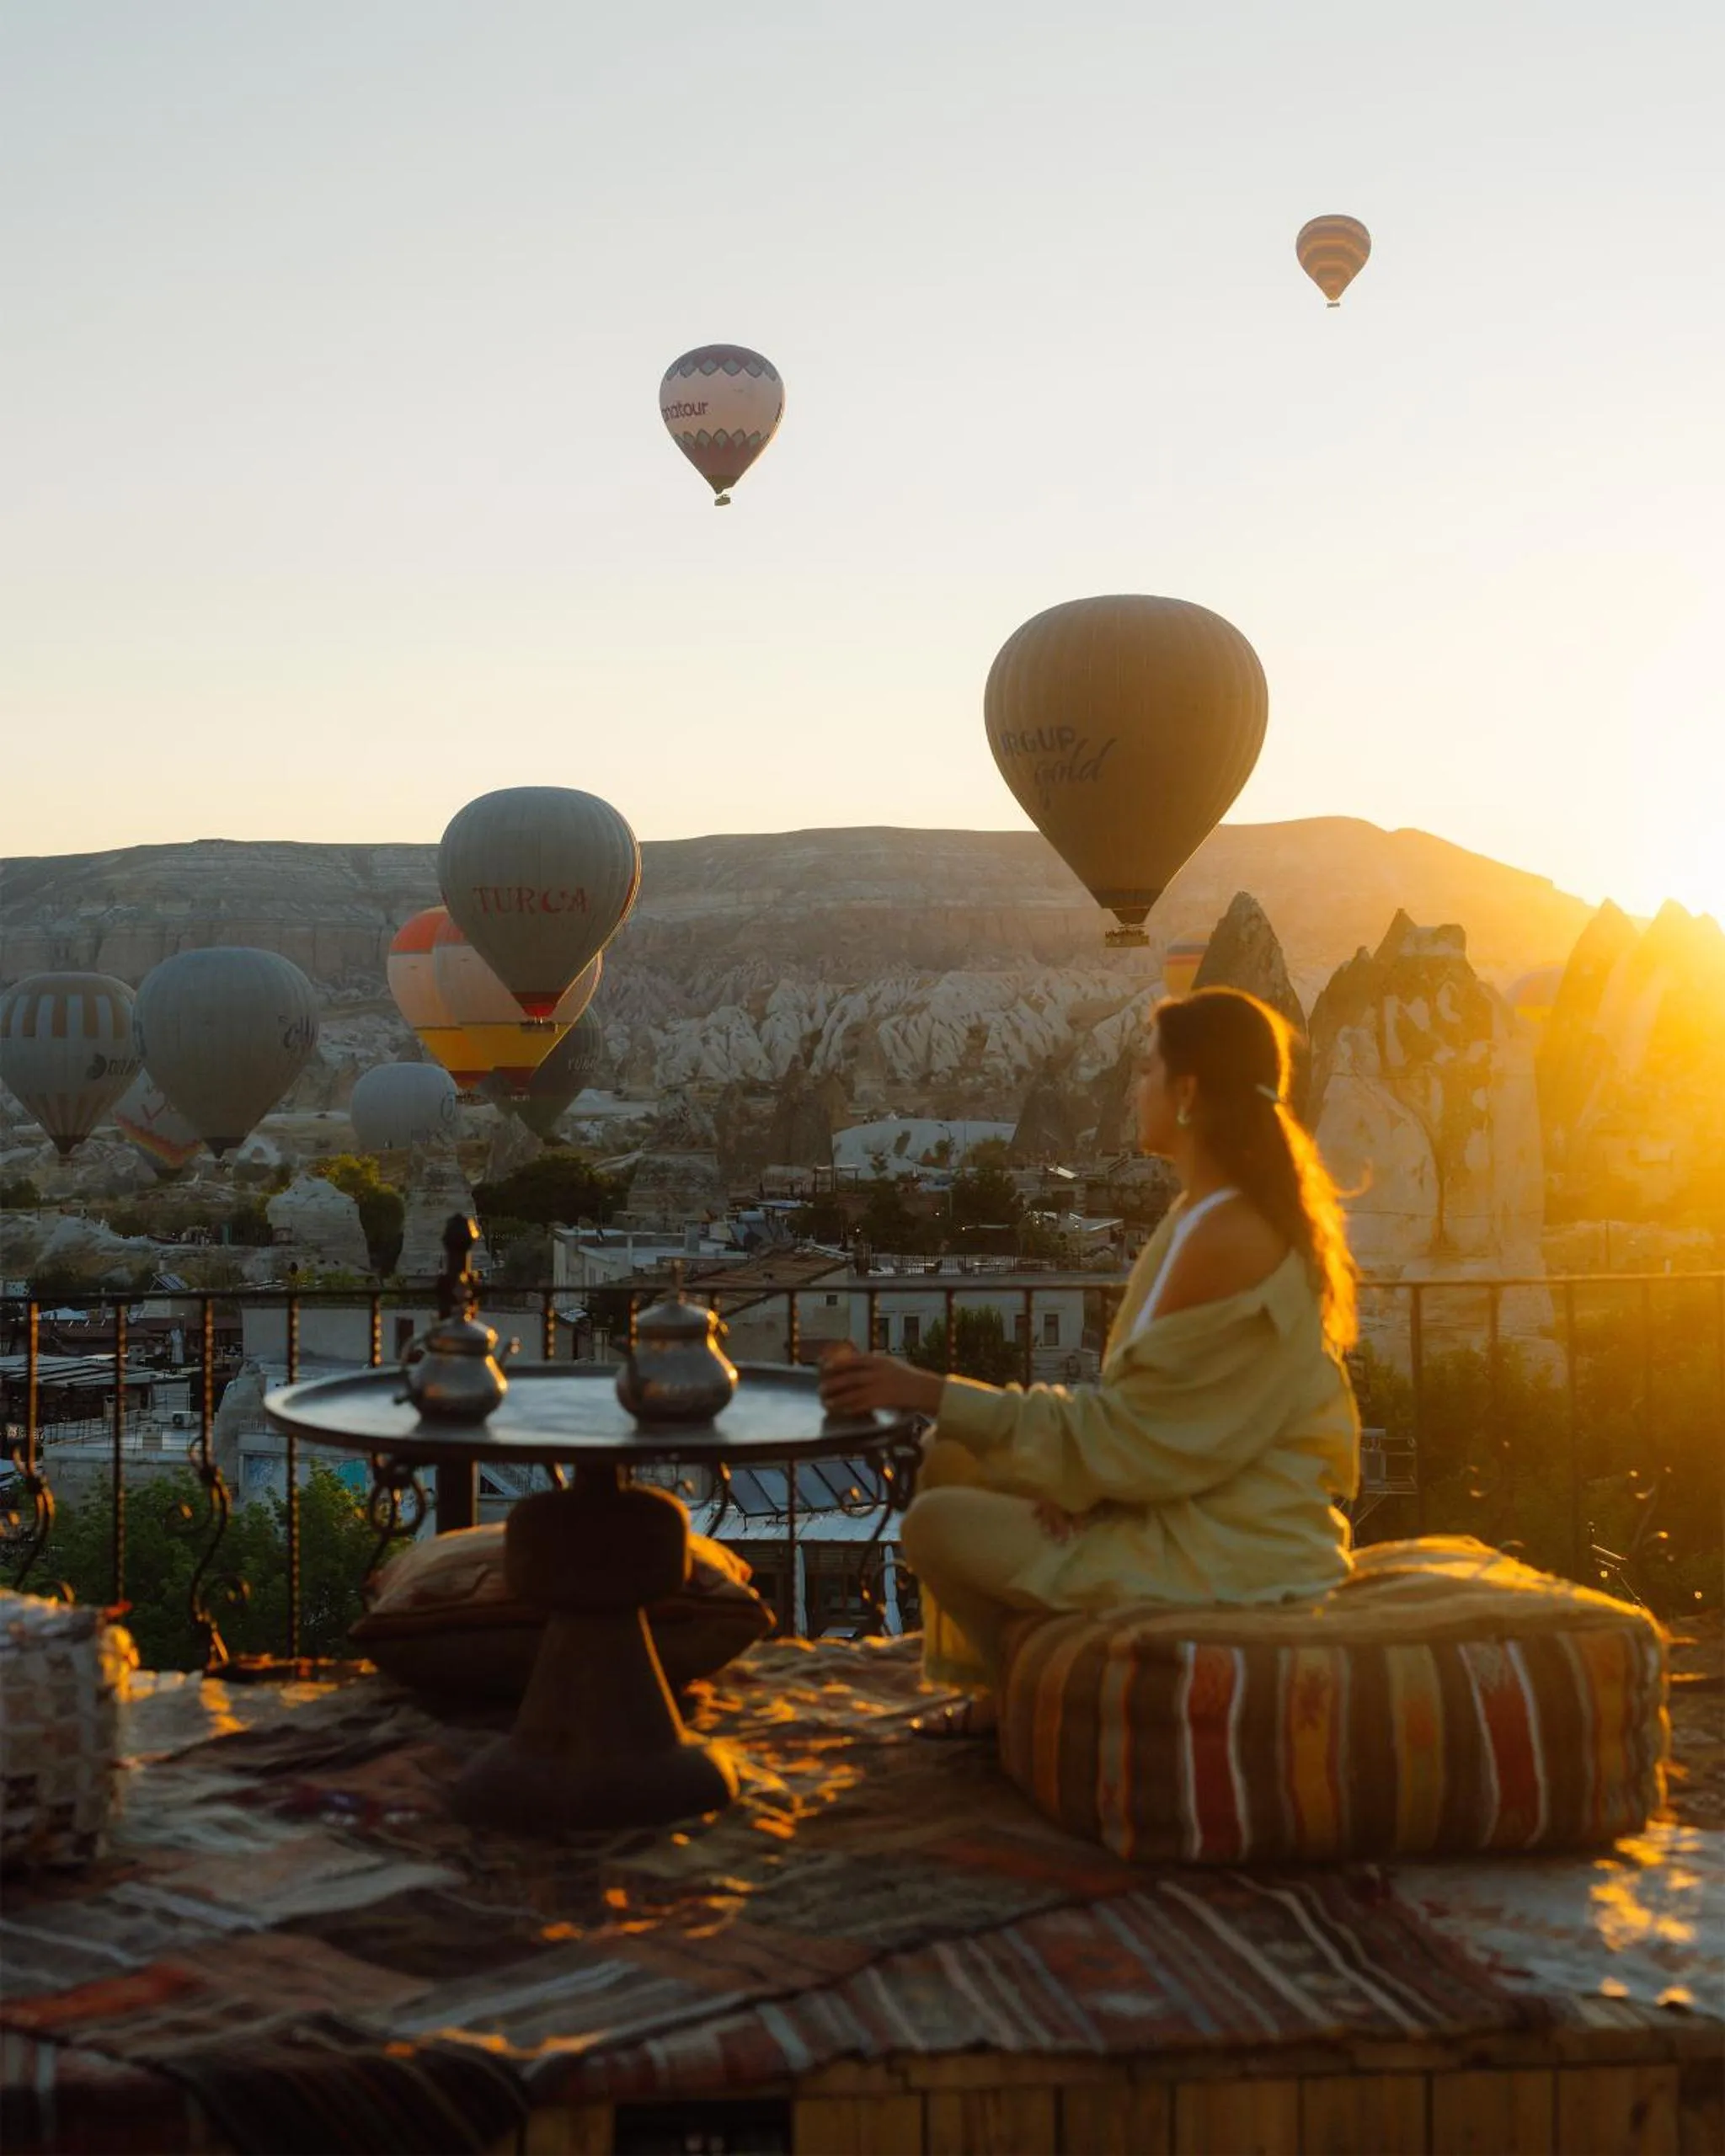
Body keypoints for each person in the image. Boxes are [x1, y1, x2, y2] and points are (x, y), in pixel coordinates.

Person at [817, 988, 1360, 1738]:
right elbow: (1169, 1424)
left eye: (1145, 1071)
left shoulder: (1226, 1233)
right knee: (950, 1458)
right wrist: (1078, 1480)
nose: (1134, 1088)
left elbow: (1141, 1435)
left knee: (935, 1526)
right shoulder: (1202, 1215)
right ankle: (1001, 1695)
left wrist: (928, 1389)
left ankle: (1033, 1707)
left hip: (1229, 1551)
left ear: (1190, 1092)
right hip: (1186, 1498)